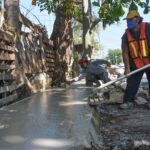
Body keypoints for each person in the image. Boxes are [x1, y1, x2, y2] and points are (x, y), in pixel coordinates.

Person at [120, 10, 150, 109]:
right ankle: (128, 101)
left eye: (130, 20)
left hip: (149, 61)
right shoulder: (125, 36)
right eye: (127, 20)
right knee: (132, 83)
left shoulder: (148, 27)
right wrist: (127, 68)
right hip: (136, 64)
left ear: (137, 19)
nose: (128, 22)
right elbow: (125, 52)